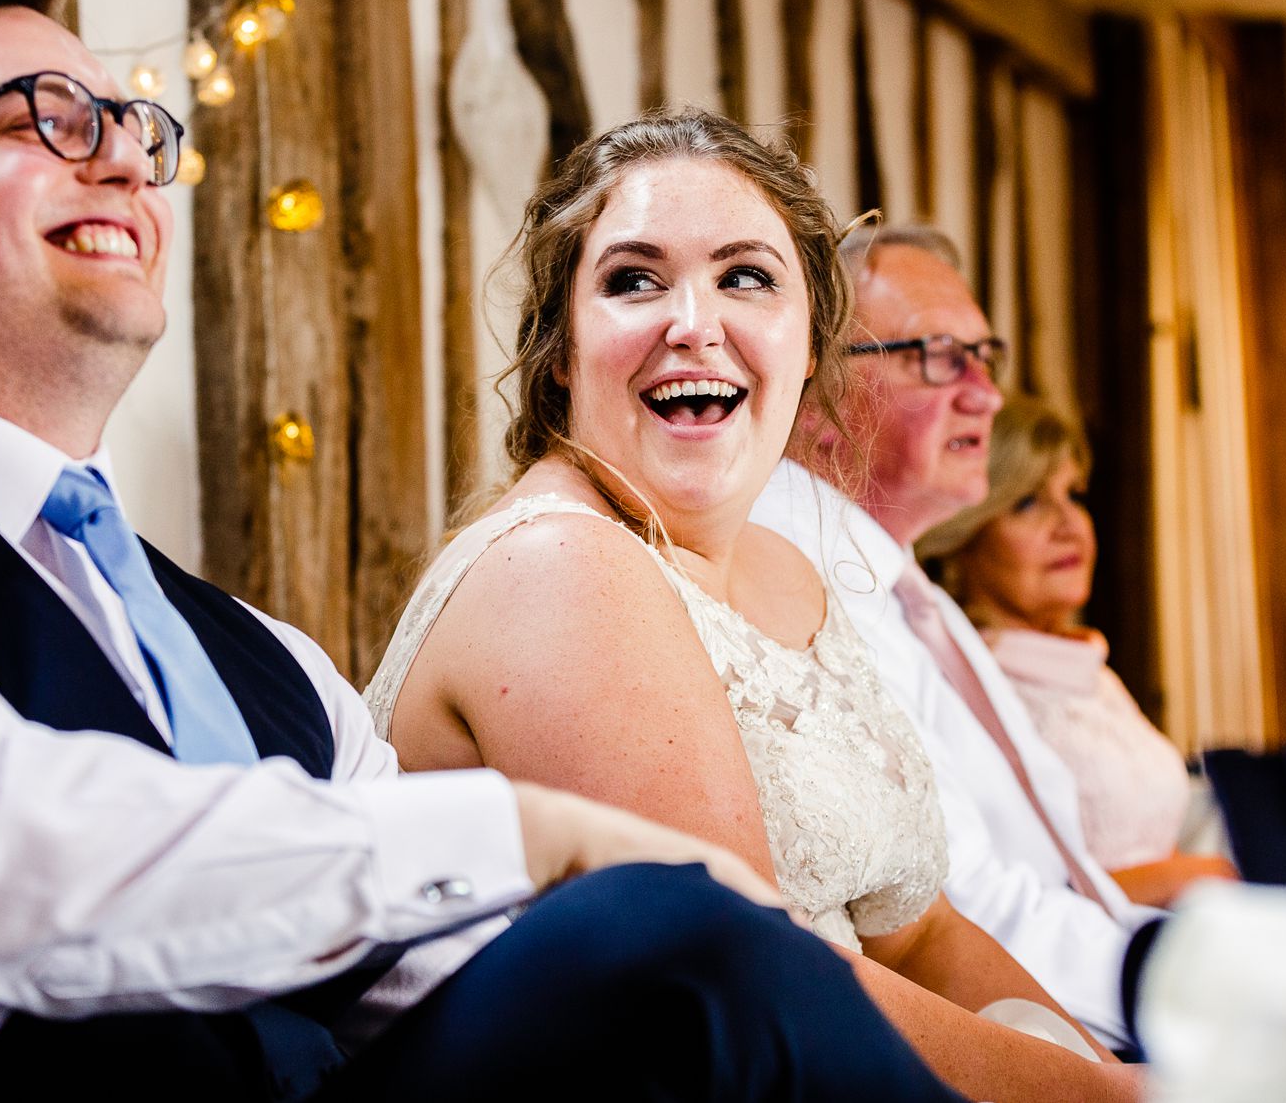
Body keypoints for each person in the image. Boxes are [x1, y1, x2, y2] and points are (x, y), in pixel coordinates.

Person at [0, 0, 962, 1101]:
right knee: (676, 936)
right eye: (42, 120)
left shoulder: (253, 656)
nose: (125, 163)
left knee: (682, 959)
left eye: (136, 132)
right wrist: (543, 833)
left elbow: (441, 965)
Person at [366, 111, 1143, 1103]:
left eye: (744, 276)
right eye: (632, 279)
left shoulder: (788, 572)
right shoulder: (559, 566)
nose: (693, 323)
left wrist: (1100, 1068)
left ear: (810, 344)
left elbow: (922, 931)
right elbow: (761, 987)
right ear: (562, 352)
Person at [750, 226, 1158, 1053]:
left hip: (1096, 984)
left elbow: (1054, 864)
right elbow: (956, 898)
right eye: (941, 356)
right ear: (819, 391)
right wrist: (1174, 978)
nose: (987, 394)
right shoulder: (794, 578)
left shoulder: (906, 587)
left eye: (986, 357)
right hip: (1026, 1028)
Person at [915, 395, 1236, 906]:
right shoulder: (964, 689)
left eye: (1074, 495)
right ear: (964, 535)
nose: (1069, 525)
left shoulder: (1091, 669)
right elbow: (1000, 900)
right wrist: (1195, 880)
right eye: (1027, 502)